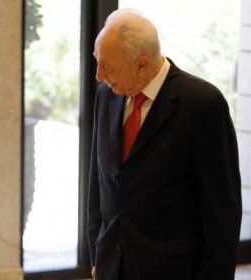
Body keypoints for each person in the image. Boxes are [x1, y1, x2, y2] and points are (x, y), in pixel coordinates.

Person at [87, 9, 242, 280]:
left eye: (108, 67)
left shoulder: (203, 105)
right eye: (97, 62)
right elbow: (98, 186)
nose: (100, 76)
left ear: (142, 63)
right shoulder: (107, 95)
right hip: (112, 268)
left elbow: (222, 215)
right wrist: (97, 256)